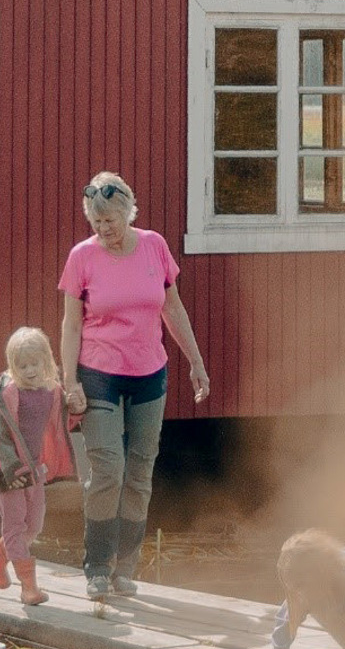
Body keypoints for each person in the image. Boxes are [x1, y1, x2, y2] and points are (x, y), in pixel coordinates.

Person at [60, 170, 211, 600]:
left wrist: (196, 362)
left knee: (140, 472)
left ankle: (126, 567)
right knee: (108, 470)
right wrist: (69, 381)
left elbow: (173, 309)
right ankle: (96, 566)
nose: (104, 229)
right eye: (96, 222)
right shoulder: (81, 257)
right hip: (99, 373)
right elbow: (72, 325)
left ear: (127, 211)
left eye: (110, 219)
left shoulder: (154, 246)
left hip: (149, 372)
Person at [0, 326, 78, 606]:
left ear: (46, 362)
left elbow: (61, 425)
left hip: (36, 469)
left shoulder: (51, 392)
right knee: (14, 527)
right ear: (13, 366)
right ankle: (29, 588)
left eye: (35, 363)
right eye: (22, 365)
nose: (29, 370)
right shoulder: (6, 395)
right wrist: (11, 469)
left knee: (33, 526)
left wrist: (76, 407)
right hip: (9, 471)